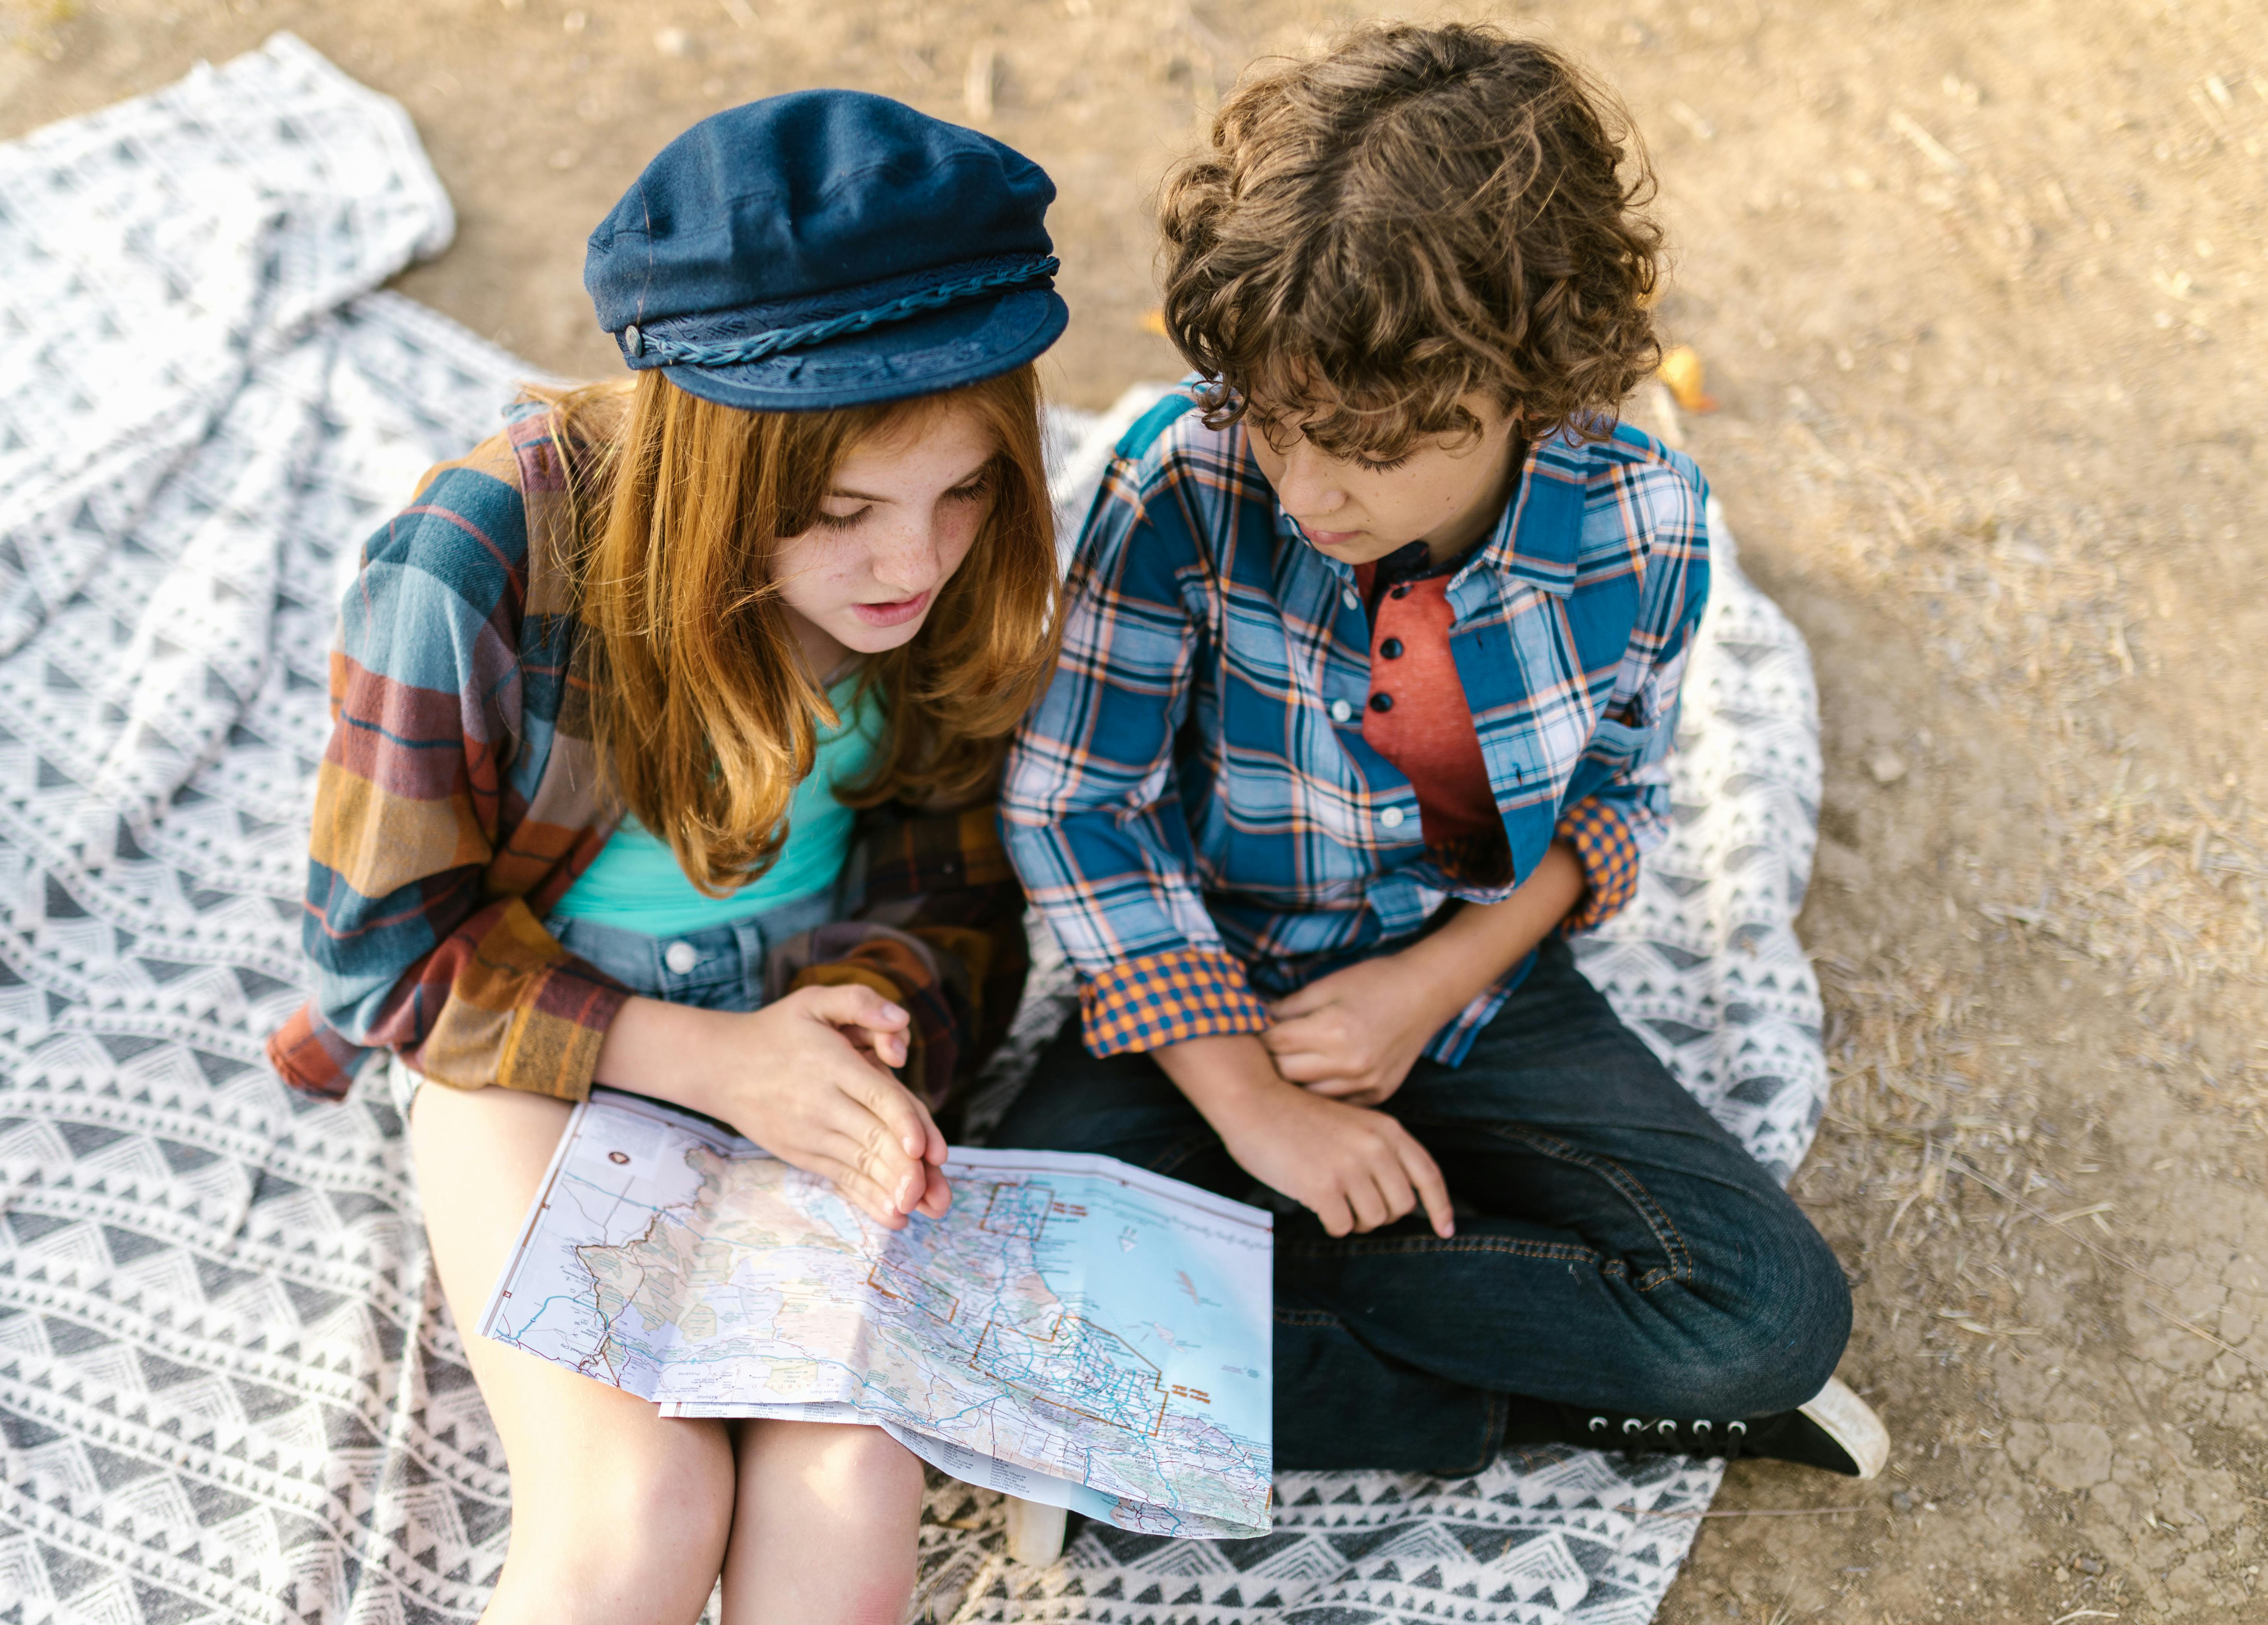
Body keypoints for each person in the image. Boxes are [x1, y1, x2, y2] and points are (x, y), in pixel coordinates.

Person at [997, 22, 1886, 1482]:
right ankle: (1487, 1384)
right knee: (1003, 1296)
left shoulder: (1642, 524)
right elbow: (1079, 800)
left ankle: (1250, 1308)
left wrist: (1422, 990)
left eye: (1364, 442)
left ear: (1529, 379)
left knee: (1766, 1325)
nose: (1305, 489)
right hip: (1210, 1001)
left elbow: (1612, 797)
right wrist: (1256, 1109)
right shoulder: (1184, 482)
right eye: (1274, 425)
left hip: (1471, 986)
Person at [266, 91, 1067, 1625]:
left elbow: (959, 896)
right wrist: (706, 1059)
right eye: (841, 516)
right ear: (718, 467)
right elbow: (383, 954)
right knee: (639, 1501)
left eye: (962, 491)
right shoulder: (478, 557)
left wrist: (869, 1009)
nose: (913, 562)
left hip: (809, 1025)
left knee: (847, 1486)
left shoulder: (965, 573)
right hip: (530, 1047)